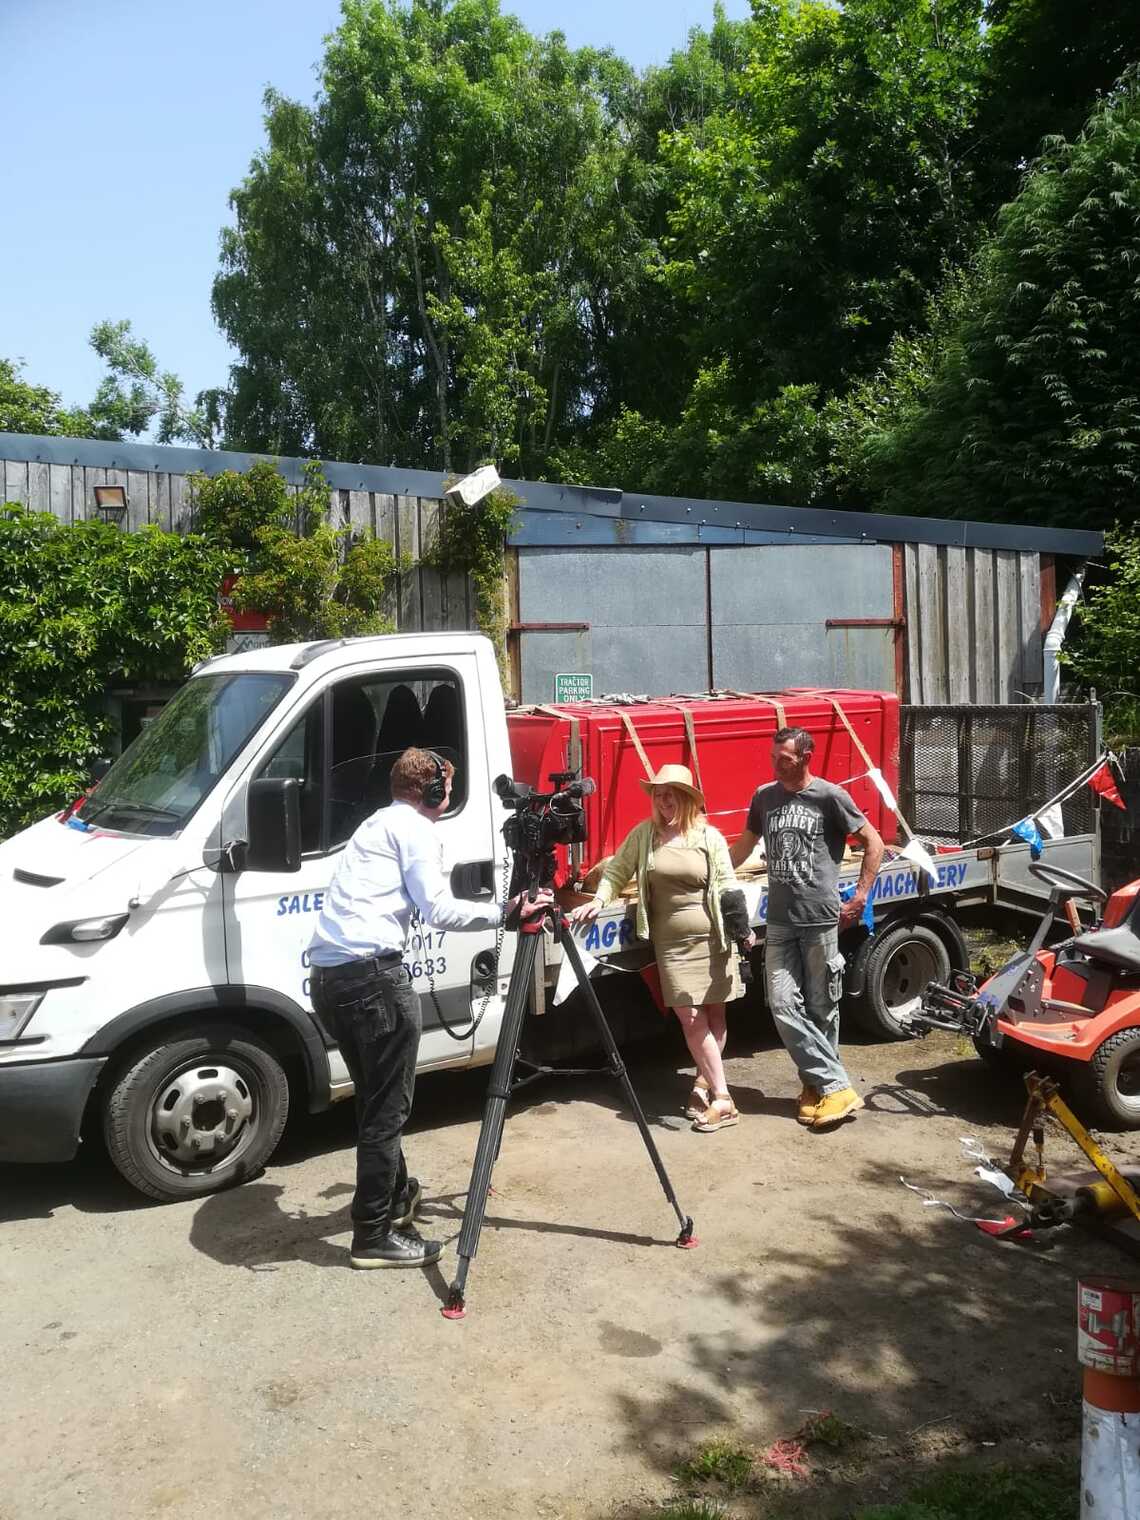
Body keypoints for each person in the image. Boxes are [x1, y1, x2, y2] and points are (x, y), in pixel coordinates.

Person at [308, 746, 550, 1270]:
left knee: (374, 1100)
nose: (448, 799)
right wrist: (504, 913)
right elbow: (437, 909)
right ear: (432, 790)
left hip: (330, 980)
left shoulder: (375, 825)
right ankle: (372, 1235)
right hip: (372, 979)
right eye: (446, 789)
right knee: (386, 1111)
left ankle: (395, 1197)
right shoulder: (415, 829)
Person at [570, 764, 749, 1133]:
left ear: (685, 798)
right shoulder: (645, 834)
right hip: (672, 944)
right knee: (691, 1017)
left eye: (670, 793)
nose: (662, 800)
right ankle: (724, 1097)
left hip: (713, 938)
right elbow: (617, 871)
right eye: (658, 793)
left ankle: (704, 1086)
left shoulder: (708, 836)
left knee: (715, 1015)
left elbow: (728, 884)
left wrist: (741, 928)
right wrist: (599, 900)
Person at [731, 727, 884, 1130]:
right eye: (774, 757)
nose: (777, 764)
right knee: (782, 1005)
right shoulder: (764, 797)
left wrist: (860, 895)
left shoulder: (830, 796)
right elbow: (743, 848)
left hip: (820, 920)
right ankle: (837, 1086)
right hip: (780, 921)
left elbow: (875, 842)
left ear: (806, 756)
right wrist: (711, 869)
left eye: (785, 758)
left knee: (822, 1008)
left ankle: (815, 1089)